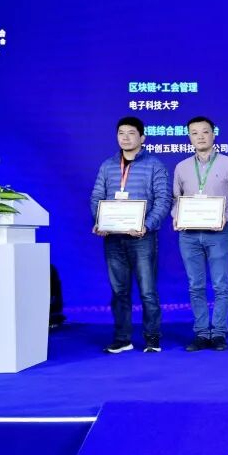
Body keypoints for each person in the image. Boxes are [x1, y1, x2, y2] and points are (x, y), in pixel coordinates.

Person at [90, 116, 172, 353]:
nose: (125, 138)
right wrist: (100, 221)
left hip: (142, 238)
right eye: (121, 133)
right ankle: (122, 338)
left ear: (142, 138)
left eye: (131, 133)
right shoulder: (107, 166)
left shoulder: (154, 165)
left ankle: (152, 337)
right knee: (119, 292)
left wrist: (147, 225)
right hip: (113, 238)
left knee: (147, 291)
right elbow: (96, 197)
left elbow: (163, 199)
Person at [172, 116, 228, 352]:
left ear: (214, 134)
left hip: (218, 233)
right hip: (189, 235)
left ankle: (219, 332)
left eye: (205, 132)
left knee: (221, 284)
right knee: (196, 285)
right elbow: (175, 200)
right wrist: (176, 216)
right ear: (189, 137)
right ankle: (202, 333)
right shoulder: (181, 167)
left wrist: (227, 216)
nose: (200, 136)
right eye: (194, 133)